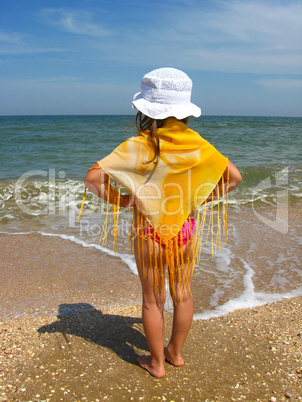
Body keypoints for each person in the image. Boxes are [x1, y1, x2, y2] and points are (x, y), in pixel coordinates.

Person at [83, 67, 242, 377]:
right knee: (182, 293)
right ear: (185, 111)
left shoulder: (139, 145)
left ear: (147, 111)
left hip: (148, 230)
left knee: (152, 300)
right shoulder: (198, 145)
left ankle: (156, 363)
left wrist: (126, 200)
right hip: (185, 227)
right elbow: (233, 178)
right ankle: (176, 354)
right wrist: (196, 199)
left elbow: (93, 179)